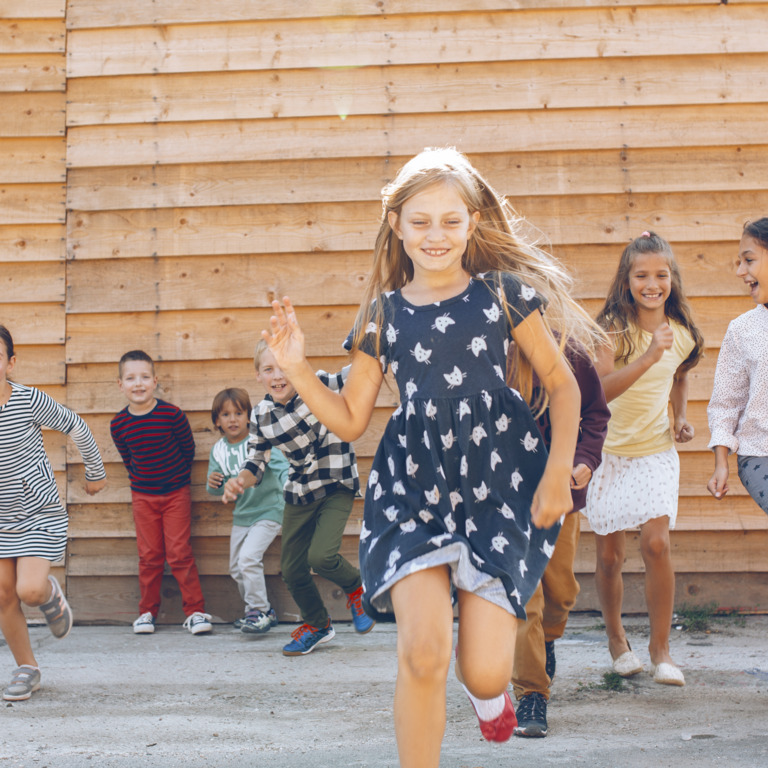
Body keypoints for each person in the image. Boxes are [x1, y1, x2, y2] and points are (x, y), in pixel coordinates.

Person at [259, 147, 604, 767]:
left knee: (487, 670)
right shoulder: (382, 315)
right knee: (422, 653)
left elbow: (564, 385)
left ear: (473, 222)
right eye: (420, 221)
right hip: (413, 485)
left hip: (498, 481)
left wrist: (557, 472)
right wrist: (297, 369)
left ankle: (489, 697)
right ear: (396, 225)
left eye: (450, 220)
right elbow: (351, 418)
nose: (435, 235)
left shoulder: (503, 294)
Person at [585, 231, 704, 687]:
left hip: (655, 450)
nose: (652, 283)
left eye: (661, 274)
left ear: (672, 277)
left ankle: (661, 650)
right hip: (606, 452)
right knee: (611, 554)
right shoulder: (612, 329)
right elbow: (598, 392)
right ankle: (618, 641)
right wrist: (649, 354)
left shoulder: (683, 333)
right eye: (641, 275)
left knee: (656, 544)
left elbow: (678, 375)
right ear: (627, 279)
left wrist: (681, 418)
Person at [222, 341, 374, 656]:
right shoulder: (262, 415)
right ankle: (318, 625)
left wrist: (369, 347)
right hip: (299, 490)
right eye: (269, 369)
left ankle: (356, 588)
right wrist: (239, 481)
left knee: (320, 556)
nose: (278, 376)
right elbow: (255, 462)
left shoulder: (318, 383)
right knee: (291, 569)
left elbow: (357, 374)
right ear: (258, 375)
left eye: (285, 367)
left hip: (335, 481)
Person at [0, 325, 106, 701]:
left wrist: (95, 472)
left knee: (27, 590)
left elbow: (75, 424)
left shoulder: (28, 401)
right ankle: (27, 668)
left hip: (38, 512)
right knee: (3, 593)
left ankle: (48, 594)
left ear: (9, 363)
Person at [511, 342, 610, 737]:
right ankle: (531, 692)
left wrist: (585, 460)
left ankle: (547, 639)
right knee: (524, 598)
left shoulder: (570, 352)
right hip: (505, 496)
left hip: (561, 494)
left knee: (560, 591)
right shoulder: (479, 347)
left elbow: (595, 415)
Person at [110, 350, 212, 636]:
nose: (138, 383)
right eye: (130, 378)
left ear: (155, 381)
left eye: (144, 377)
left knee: (179, 554)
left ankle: (195, 611)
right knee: (149, 556)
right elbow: (129, 459)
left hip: (175, 494)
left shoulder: (171, 415)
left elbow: (187, 451)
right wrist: (146, 483)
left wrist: (173, 481)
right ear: (121, 384)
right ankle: (146, 613)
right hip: (143, 497)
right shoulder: (119, 425)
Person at [207, 387, 288, 633]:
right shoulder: (218, 450)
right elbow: (216, 490)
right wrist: (214, 483)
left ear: (249, 417)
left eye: (239, 413)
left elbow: (283, 469)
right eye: (225, 415)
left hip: (269, 511)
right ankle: (257, 611)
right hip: (242, 515)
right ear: (217, 421)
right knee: (236, 567)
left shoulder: (259, 442)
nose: (232, 419)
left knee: (248, 559)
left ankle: (260, 611)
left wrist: (292, 492)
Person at [707, 218, 768, 513]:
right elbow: (725, 403)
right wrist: (721, 463)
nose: (740, 271)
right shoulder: (742, 330)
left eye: (749, 260)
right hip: (760, 455)